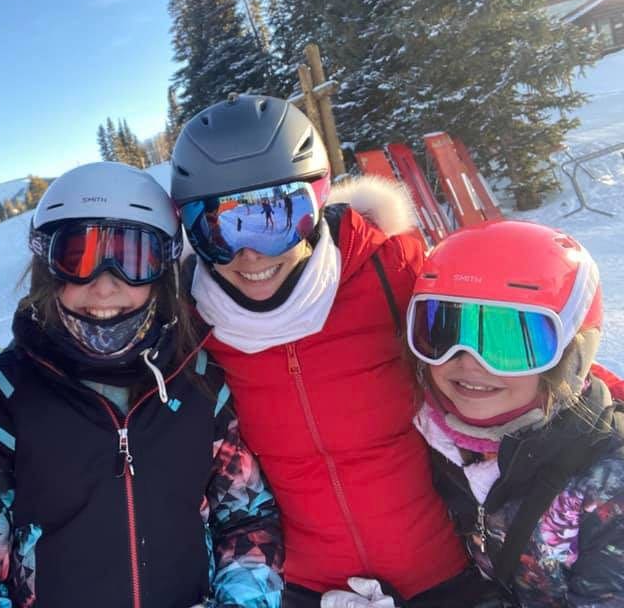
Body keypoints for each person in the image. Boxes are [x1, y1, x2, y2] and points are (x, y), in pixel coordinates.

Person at [171, 94, 495, 607]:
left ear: (317, 201)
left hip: (447, 576)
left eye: (276, 218)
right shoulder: (189, 324)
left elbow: (518, 355)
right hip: (305, 591)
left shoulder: (392, 268)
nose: (250, 253)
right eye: (219, 230)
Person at [0, 161, 284, 608]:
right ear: (47, 268)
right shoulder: (2, 403)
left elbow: (247, 521)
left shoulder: (199, 383)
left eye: (134, 258)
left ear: (164, 268)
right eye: (78, 257)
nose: (104, 286)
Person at [408, 220, 624, 606]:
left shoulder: (610, 487)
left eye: (511, 342)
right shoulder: (436, 443)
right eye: (443, 331)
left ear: (571, 358)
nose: (470, 362)